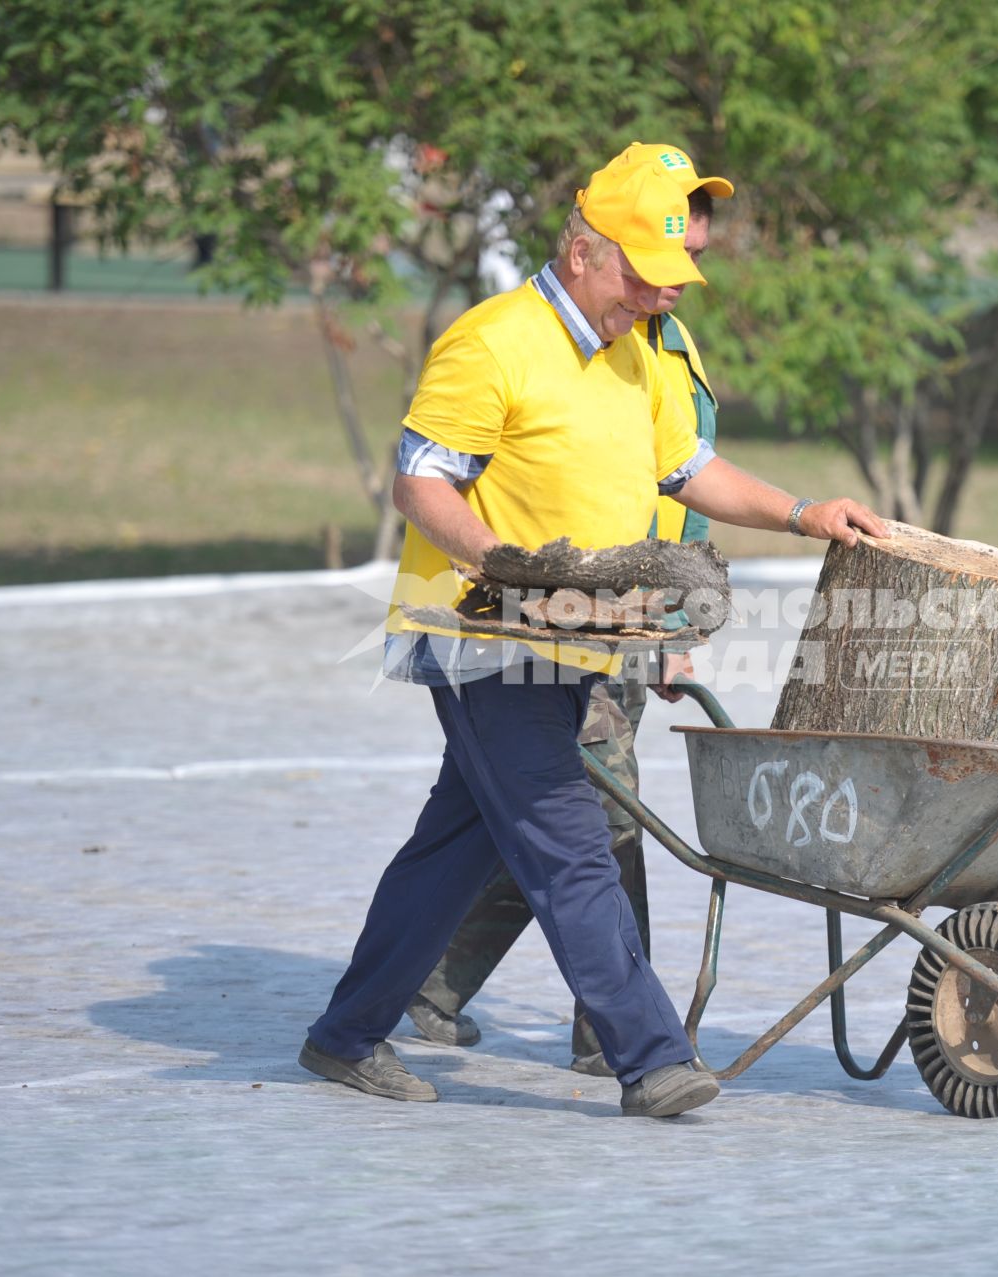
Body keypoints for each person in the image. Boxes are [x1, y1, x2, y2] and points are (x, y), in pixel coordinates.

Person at [299, 146, 884, 1118]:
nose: (659, 296)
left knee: (456, 847)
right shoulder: (491, 344)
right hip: (483, 632)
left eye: (670, 280)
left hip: (579, 638)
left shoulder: (633, 359)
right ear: (583, 253)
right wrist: (501, 561)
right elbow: (421, 480)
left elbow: (691, 472)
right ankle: (651, 1058)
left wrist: (803, 511)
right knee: (572, 843)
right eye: (644, 276)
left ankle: (347, 1033)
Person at [403, 142, 729, 1076]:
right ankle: (626, 1034)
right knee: (590, 817)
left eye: (696, 237)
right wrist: (522, 578)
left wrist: (667, 623)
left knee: (514, 812)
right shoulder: (563, 334)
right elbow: (444, 483)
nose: (685, 260)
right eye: (670, 237)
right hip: (541, 618)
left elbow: (673, 482)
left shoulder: (662, 340)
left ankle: (417, 983)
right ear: (604, 245)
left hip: (624, 613)